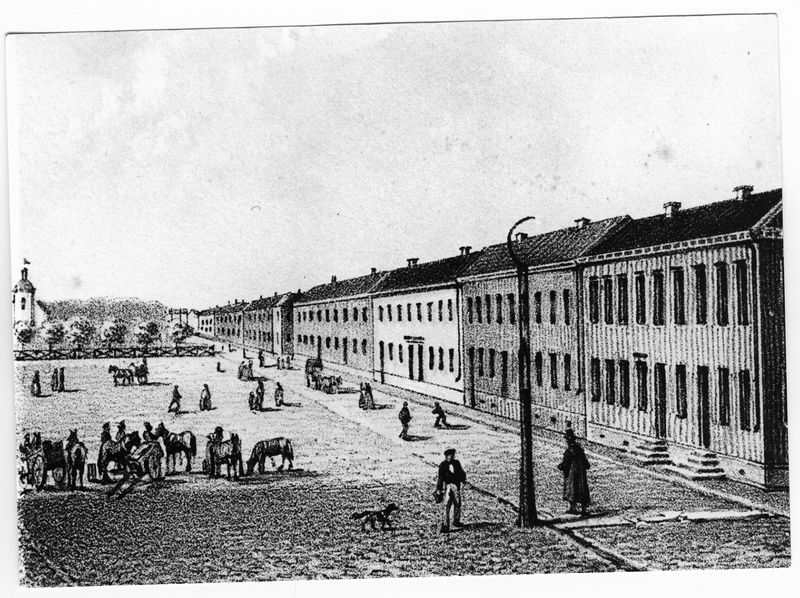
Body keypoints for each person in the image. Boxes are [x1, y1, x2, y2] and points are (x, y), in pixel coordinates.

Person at [557, 428, 591, 515]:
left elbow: (566, 463)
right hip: (581, 473)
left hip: (572, 473)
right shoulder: (579, 449)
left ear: (568, 440)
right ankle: (583, 509)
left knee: (572, 490)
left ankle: (573, 508)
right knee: (582, 489)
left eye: (566, 439)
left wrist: (561, 466)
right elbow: (585, 462)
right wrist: (586, 465)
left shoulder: (569, 451)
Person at [435, 448, 467, 533]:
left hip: (456, 486)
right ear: (446, 456)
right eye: (449, 456)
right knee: (447, 505)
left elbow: (461, 472)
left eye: (452, 455)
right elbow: (440, 478)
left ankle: (456, 521)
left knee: (457, 503)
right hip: (448, 486)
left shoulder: (456, 463)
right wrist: (439, 489)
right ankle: (445, 525)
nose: (451, 457)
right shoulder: (443, 465)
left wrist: (463, 479)